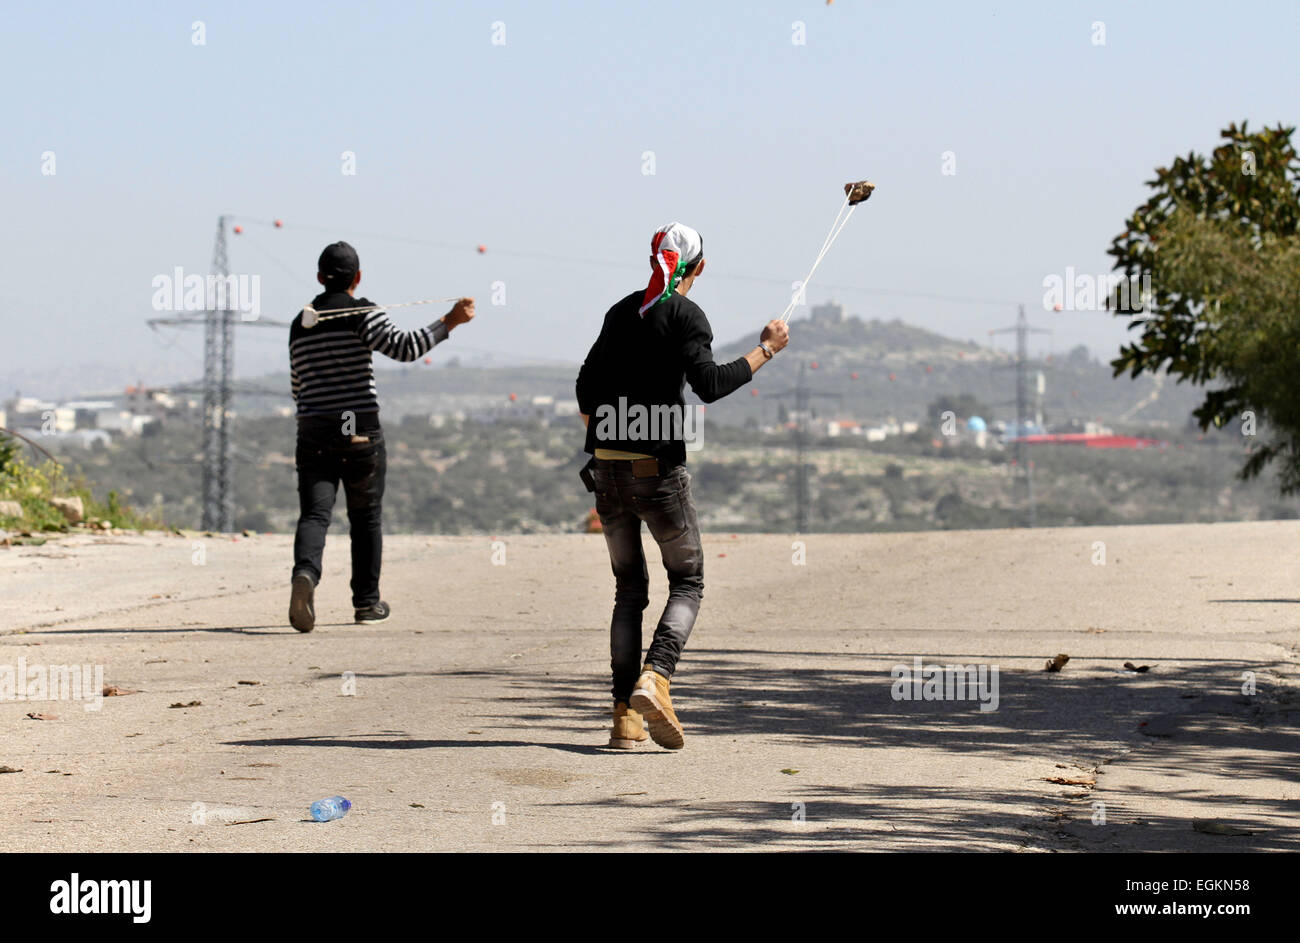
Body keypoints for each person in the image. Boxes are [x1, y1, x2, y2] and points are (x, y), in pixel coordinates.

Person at [575, 222, 789, 749]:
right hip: (656, 472)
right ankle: (657, 676)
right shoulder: (687, 315)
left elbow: (585, 386)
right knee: (688, 581)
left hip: (606, 470)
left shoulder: (621, 311)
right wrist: (766, 350)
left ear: (655, 261)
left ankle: (624, 718)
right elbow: (710, 385)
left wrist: (605, 444)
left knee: (629, 590)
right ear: (700, 266)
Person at [287, 241, 474, 631]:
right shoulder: (361, 312)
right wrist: (450, 322)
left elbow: (297, 385)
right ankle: (366, 605)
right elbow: (406, 348)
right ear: (357, 278)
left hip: (315, 428)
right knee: (366, 517)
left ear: (320, 278)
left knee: (315, 514)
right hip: (357, 426)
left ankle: (305, 575)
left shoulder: (299, 323)